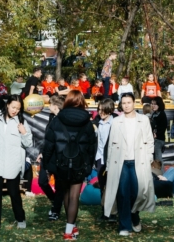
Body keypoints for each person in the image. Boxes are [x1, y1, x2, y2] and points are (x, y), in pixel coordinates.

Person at [42, 90, 96, 240]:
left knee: (65, 193)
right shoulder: (87, 122)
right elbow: (92, 146)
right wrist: (89, 165)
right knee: (74, 196)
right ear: (82, 102)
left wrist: (47, 165)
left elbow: (49, 145)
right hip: (79, 163)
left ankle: (70, 227)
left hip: (61, 163)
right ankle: (69, 230)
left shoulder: (57, 120)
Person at [102, 92, 156, 237]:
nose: (126, 105)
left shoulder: (143, 120)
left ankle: (134, 214)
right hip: (121, 162)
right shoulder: (116, 121)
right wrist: (108, 166)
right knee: (123, 193)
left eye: (129, 102)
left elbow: (150, 141)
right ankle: (124, 225)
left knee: (138, 191)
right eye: (124, 103)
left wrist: (149, 157)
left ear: (134, 103)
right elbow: (111, 146)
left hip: (139, 161)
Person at [0, 95, 33, 234]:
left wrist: (24, 133)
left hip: (13, 162)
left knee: (14, 193)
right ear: (7, 105)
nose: (15, 110)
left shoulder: (22, 121)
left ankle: (20, 219)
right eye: (13, 107)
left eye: (18, 108)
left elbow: (28, 143)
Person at [40, 95, 67, 220]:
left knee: (59, 185)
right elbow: (47, 138)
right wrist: (42, 151)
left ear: (55, 106)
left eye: (50, 105)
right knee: (42, 181)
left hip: (59, 156)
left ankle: (56, 210)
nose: (48, 107)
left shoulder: (64, 120)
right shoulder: (51, 117)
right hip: (47, 154)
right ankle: (55, 200)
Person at [94, 98, 116, 222]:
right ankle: (104, 212)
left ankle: (112, 213)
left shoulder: (116, 123)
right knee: (102, 186)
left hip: (112, 159)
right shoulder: (97, 122)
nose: (100, 112)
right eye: (99, 110)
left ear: (110, 110)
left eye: (103, 110)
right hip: (100, 158)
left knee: (112, 186)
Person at [150, 97, 168, 163]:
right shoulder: (154, 114)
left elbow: (163, 128)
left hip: (159, 140)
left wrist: (156, 134)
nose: (153, 105)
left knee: (158, 160)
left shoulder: (162, 114)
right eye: (152, 104)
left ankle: (161, 173)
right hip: (154, 139)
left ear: (159, 104)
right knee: (155, 159)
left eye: (155, 104)